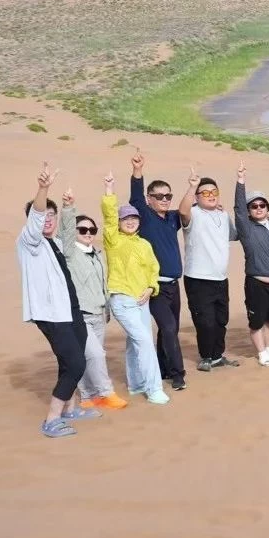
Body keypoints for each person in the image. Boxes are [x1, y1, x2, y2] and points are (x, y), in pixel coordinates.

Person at [18, 163, 99, 437]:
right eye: (43, 216)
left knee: (71, 362)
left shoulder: (56, 243)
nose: (47, 219)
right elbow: (38, 216)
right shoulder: (30, 242)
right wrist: (43, 188)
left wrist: (68, 207)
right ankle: (51, 420)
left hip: (71, 310)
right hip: (52, 314)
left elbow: (67, 231)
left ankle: (71, 408)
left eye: (52, 215)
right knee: (76, 363)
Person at [101, 171, 168, 404]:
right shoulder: (113, 240)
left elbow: (153, 269)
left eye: (134, 218)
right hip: (122, 299)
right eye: (125, 219)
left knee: (134, 342)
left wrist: (151, 288)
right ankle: (154, 388)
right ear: (120, 223)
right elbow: (108, 217)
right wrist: (109, 190)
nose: (130, 222)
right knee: (144, 342)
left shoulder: (144, 244)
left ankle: (136, 383)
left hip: (143, 300)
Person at [59, 188, 125, 409]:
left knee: (88, 357)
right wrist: (68, 208)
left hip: (99, 313)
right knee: (96, 355)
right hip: (81, 315)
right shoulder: (70, 253)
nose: (88, 232)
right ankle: (106, 392)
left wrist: (107, 308)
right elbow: (65, 234)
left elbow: (102, 283)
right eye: (83, 229)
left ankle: (88, 397)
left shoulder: (96, 253)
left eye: (92, 229)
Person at [128, 149, 187, 391]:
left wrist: (192, 188)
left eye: (167, 196)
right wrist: (138, 171)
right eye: (159, 196)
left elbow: (185, 211)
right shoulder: (146, 216)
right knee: (169, 327)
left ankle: (164, 368)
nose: (164, 199)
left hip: (174, 285)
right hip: (156, 287)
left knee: (169, 329)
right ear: (150, 199)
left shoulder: (172, 218)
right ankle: (178, 374)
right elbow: (135, 198)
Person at [179, 170, 239, 372]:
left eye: (214, 191)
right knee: (205, 321)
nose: (211, 195)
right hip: (198, 278)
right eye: (205, 193)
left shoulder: (223, 214)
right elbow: (183, 210)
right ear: (197, 197)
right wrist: (192, 186)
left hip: (220, 278)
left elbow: (234, 235)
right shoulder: (193, 213)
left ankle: (217, 356)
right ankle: (205, 356)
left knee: (221, 320)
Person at [234, 162, 269, 366]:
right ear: (249, 210)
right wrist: (240, 181)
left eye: (262, 205)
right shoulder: (246, 228)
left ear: (267, 208)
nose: (258, 208)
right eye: (254, 206)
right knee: (257, 320)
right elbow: (238, 210)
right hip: (257, 282)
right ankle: (261, 353)